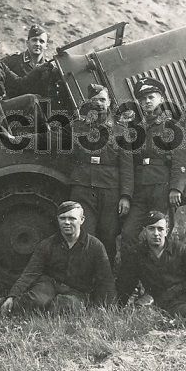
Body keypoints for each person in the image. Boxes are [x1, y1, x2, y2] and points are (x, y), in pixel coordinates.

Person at [1, 201, 116, 314]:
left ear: (82, 220)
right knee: (36, 300)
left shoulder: (95, 246)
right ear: (58, 219)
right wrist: (12, 296)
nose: (67, 222)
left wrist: (107, 309)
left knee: (66, 305)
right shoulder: (47, 244)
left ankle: (46, 312)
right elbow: (30, 273)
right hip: (49, 285)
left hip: (77, 291)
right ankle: (10, 305)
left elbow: (106, 280)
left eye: (72, 218)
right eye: (62, 218)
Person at [119, 76, 186, 247]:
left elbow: (181, 159)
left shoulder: (171, 126)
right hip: (140, 190)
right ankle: (134, 272)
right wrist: (126, 195)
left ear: (161, 99)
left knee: (162, 235)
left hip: (162, 187)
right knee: (128, 234)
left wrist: (175, 188)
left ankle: (164, 272)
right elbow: (128, 164)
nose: (147, 101)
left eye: (151, 97)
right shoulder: (135, 130)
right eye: (142, 99)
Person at [66, 86, 132, 264]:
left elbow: (127, 166)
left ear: (109, 102)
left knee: (108, 235)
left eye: (103, 100)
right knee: (84, 234)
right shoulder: (78, 126)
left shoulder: (120, 129)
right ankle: (84, 282)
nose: (99, 104)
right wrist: (17, 139)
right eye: (95, 101)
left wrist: (125, 196)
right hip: (83, 188)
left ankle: (106, 279)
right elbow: (55, 140)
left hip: (110, 190)